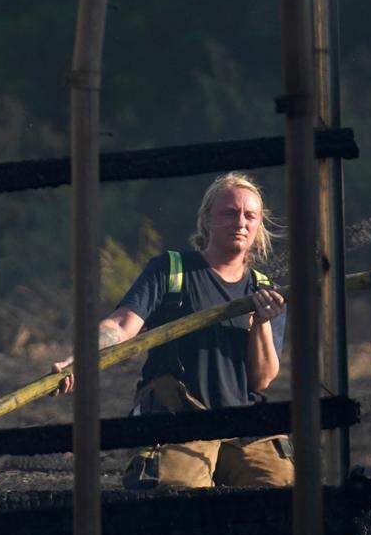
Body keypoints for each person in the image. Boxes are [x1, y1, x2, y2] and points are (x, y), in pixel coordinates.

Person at [53, 172, 293, 490]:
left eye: (250, 215)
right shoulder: (171, 269)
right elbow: (122, 325)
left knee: (284, 493)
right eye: (229, 213)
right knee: (177, 495)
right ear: (206, 219)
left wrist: (261, 324)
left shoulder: (265, 291)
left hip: (241, 423)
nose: (241, 222)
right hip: (179, 416)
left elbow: (261, 380)